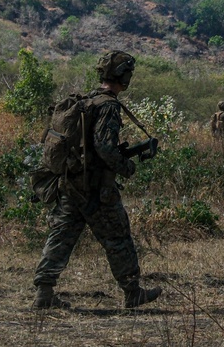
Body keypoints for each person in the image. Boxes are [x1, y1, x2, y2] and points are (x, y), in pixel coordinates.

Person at [32, 50, 162, 310]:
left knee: (61, 236)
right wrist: (125, 166)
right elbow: (104, 147)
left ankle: (44, 293)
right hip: (96, 189)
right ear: (123, 76)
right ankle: (132, 292)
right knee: (118, 236)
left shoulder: (87, 100)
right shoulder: (109, 106)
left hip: (71, 183)